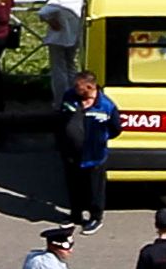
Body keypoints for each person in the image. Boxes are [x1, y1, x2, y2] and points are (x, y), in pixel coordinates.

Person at [54, 71, 120, 235]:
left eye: (79, 86)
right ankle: (75, 215)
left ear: (90, 87)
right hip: (71, 155)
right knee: (74, 187)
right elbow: (61, 118)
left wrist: (100, 140)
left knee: (94, 189)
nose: (75, 89)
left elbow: (116, 128)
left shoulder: (106, 105)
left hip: (94, 157)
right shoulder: (70, 96)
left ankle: (95, 217)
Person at [41, 0, 85, 101]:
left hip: (58, 37)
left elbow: (43, 13)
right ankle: (75, 96)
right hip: (75, 34)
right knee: (71, 66)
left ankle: (61, 100)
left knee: (58, 70)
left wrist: (51, 21)